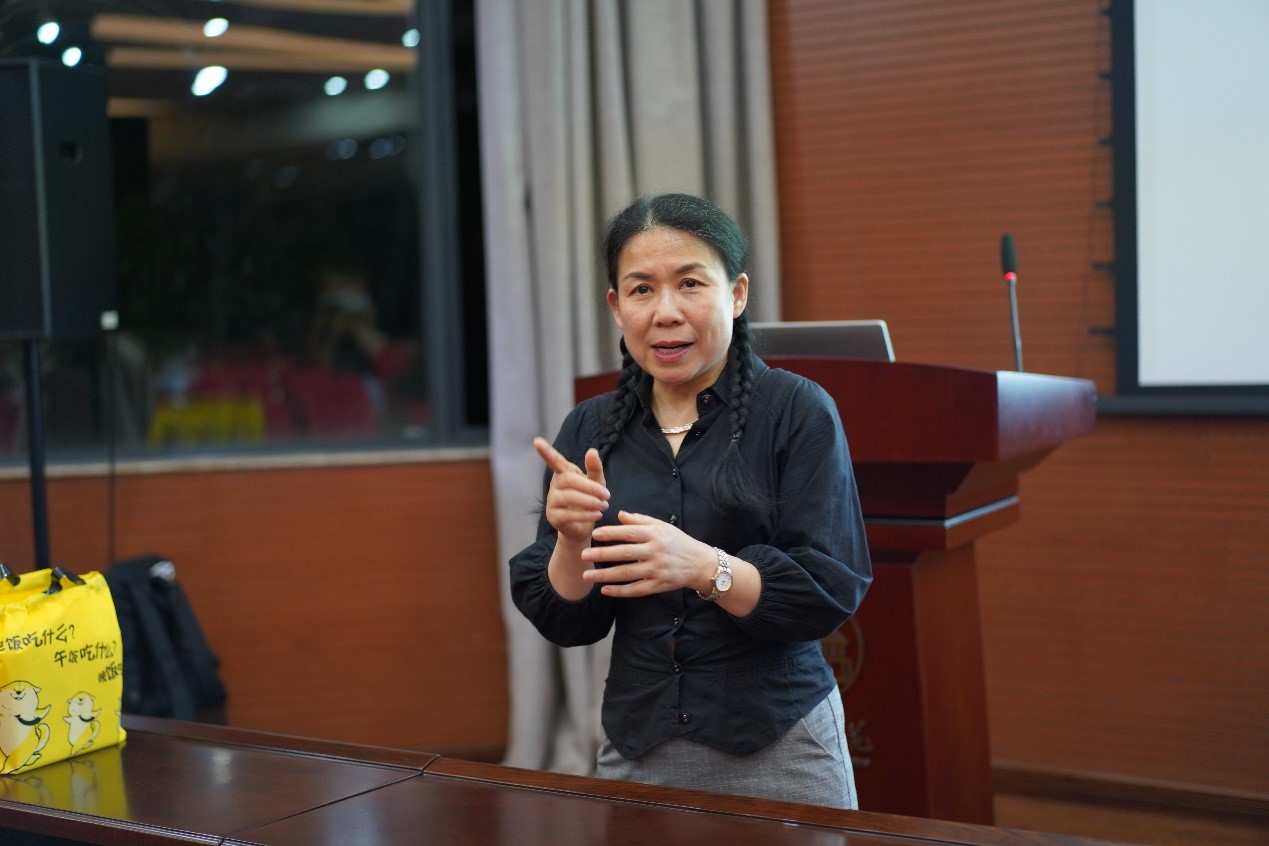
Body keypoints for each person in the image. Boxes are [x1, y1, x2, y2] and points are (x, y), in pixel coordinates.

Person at [509, 192, 872, 809]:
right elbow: (570, 622)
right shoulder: (590, 429)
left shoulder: (796, 411)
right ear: (616, 306)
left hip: (779, 744)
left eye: (690, 284)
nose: (666, 312)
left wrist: (705, 567)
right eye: (641, 290)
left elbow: (827, 591)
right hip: (638, 744)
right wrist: (570, 541)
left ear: (737, 294)